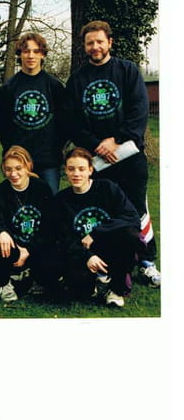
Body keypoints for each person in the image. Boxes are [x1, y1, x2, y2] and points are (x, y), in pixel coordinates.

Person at [64, 20, 160, 286]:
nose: (95, 47)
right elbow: (71, 122)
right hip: (96, 161)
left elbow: (139, 110)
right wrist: (97, 145)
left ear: (109, 42)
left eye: (99, 41)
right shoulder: (77, 79)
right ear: (84, 46)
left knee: (137, 209)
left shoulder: (127, 70)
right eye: (90, 43)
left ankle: (146, 261)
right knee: (104, 212)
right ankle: (110, 262)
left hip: (128, 156)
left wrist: (116, 140)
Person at [50, 147, 141, 308]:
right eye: (71, 169)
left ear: (90, 170)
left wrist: (96, 233)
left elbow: (132, 218)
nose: (76, 174)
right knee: (80, 291)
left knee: (130, 235)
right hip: (83, 252)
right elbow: (64, 237)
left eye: (81, 169)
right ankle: (97, 282)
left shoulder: (107, 188)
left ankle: (116, 288)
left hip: (111, 248)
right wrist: (87, 256)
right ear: (66, 171)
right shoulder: (61, 200)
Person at [0, 32, 67, 193]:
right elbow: (0, 125)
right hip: (19, 162)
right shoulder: (8, 88)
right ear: (20, 55)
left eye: (36, 51)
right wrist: (13, 151)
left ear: (43, 54)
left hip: (48, 161)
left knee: (50, 203)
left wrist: (55, 148)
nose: (31, 56)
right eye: (26, 51)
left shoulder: (54, 86)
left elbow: (65, 122)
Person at [0, 145, 58, 303]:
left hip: (36, 243)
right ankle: (4, 284)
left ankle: (36, 279)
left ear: (28, 166)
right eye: (8, 169)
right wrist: (2, 232)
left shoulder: (42, 188)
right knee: (1, 246)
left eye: (18, 168)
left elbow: (50, 226)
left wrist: (29, 249)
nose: (13, 174)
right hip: (14, 245)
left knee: (53, 258)